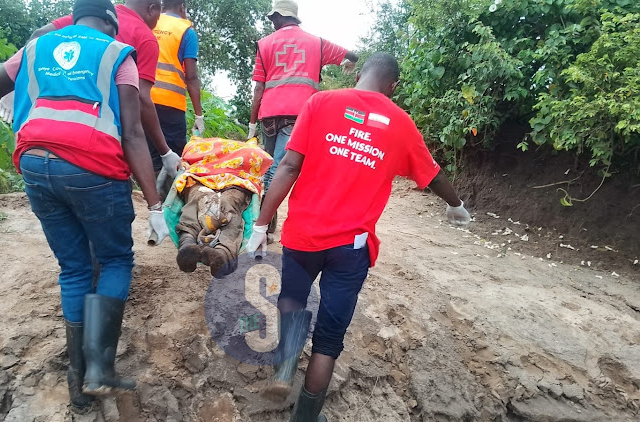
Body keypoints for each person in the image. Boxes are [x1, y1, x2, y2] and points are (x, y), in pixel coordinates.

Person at [0, 0, 169, 413]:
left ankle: (78, 388)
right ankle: (100, 369)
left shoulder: (36, 48)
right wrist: (154, 205)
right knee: (114, 261)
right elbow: (132, 133)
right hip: (92, 168)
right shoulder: (118, 54)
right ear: (111, 22)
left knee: (75, 268)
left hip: (36, 164)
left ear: (74, 20)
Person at [245, 53, 472, 421]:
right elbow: (433, 176)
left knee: (292, 299)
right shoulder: (401, 123)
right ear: (392, 86)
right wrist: (456, 205)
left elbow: (287, 165)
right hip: (350, 249)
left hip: (303, 235)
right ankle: (305, 416)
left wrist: (260, 224)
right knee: (329, 342)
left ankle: (285, 366)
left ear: (361, 73)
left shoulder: (320, 102)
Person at [0, 0, 183, 179]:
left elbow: (39, 34)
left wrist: (19, 86)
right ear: (152, 9)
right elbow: (141, 99)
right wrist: (165, 151)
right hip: (95, 135)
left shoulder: (91, 11)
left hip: (42, 137)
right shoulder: (145, 37)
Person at [248, 0, 359, 236]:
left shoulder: (264, 44)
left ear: (278, 17)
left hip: (269, 114)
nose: (272, 23)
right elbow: (352, 55)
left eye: (273, 19)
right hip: (299, 113)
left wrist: (251, 124)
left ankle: (265, 222)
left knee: (270, 165)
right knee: (279, 167)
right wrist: (349, 63)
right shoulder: (317, 43)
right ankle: (265, 224)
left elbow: (259, 88)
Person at [173, 137, 273, 277]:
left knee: (209, 203)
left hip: (223, 179)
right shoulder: (247, 149)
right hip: (210, 177)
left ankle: (215, 250)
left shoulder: (201, 146)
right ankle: (197, 246)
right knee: (215, 204)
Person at [148, 0, 204, 179]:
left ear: (162, 7)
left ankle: (154, 199)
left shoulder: (149, 23)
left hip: (143, 99)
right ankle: (168, 200)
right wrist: (198, 115)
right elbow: (191, 77)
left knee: (150, 154)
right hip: (170, 105)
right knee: (175, 157)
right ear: (182, 8)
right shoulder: (186, 31)